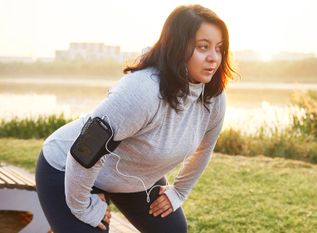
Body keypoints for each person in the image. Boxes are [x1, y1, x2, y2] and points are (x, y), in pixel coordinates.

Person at [35, 4, 236, 233]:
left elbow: (204, 149)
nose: (214, 58)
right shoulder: (143, 91)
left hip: (130, 179)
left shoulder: (214, 98)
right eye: (203, 47)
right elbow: (85, 150)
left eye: (219, 49)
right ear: (178, 47)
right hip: (66, 167)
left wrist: (178, 191)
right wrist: (82, 206)